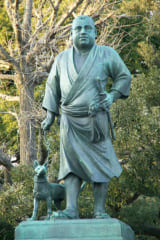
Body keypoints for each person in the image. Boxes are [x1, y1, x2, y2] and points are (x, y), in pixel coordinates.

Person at [41, 15, 131, 219]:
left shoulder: (107, 54)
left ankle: (100, 210)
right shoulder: (62, 58)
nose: (83, 32)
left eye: (87, 28)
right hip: (69, 120)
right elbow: (51, 86)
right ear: (71, 34)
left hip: (95, 119)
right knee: (70, 165)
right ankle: (71, 209)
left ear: (95, 33)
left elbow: (124, 76)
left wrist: (112, 95)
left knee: (100, 162)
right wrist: (50, 114)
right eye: (78, 28)